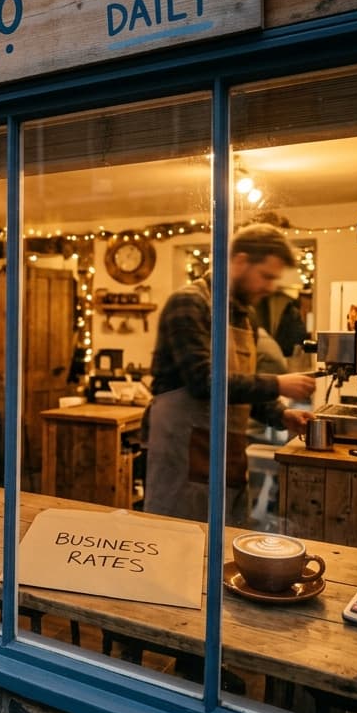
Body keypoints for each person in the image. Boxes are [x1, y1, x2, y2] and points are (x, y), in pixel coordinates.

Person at [142, 224, 316, 528]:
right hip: (183, 450)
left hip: (226, 449)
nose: (271, 287)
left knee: (224, 539)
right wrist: (278, 383)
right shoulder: (190, 303)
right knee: (177, 539)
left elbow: (238, 387)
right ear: (239, 261)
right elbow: (204, 381)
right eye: (266, 276)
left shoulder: (241, 315)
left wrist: (281, 415)